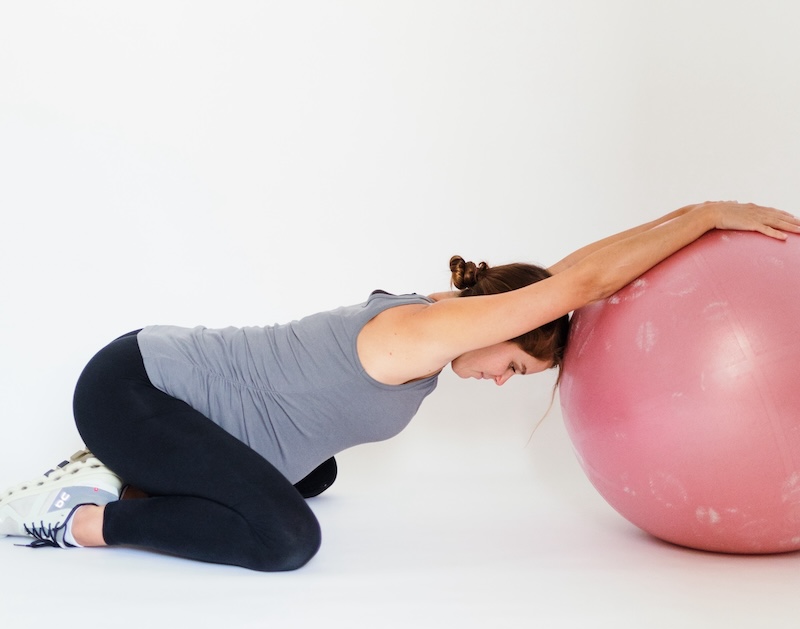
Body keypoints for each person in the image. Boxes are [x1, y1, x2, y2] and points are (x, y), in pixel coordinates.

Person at [1, 201, 798, 571]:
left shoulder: (451, 319)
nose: (501, 382)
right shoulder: (421, 332)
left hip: (171, 396)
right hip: (135, 389)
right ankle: (79, 520)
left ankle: (119, 468)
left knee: (315, 472)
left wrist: (690, 211)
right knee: (286, 539)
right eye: (516, 367)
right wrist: (714, 213)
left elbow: (570, 277)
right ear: (495, 328)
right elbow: (577, 280)